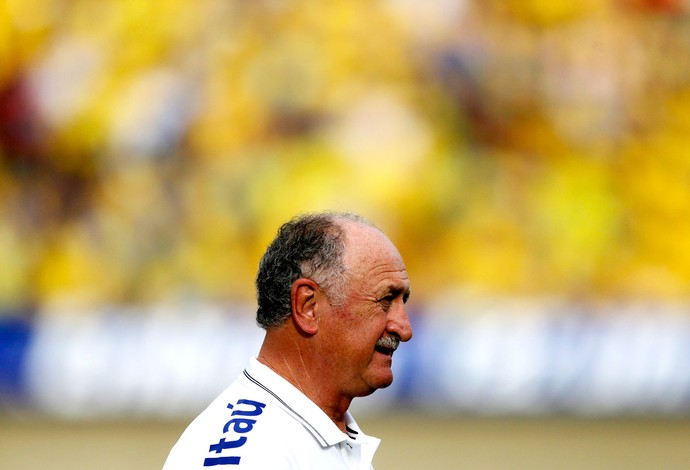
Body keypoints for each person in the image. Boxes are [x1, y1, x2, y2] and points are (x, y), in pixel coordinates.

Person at [163, 211, 413, 469]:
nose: (404, 329)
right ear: (307, 306)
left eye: (402, 302)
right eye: (385, 300)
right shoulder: (247, 456)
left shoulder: (313, 432)